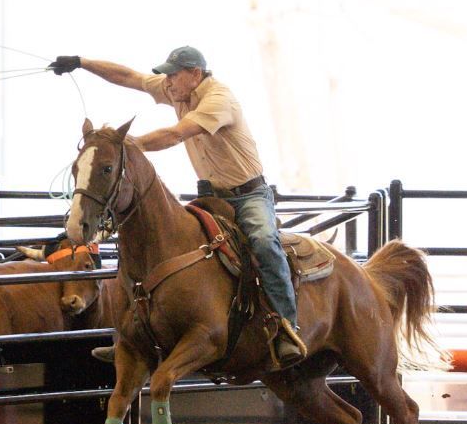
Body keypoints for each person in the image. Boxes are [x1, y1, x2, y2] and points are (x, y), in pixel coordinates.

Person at [49, 46, 307, 369]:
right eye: (167, 76)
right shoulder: (178, 92)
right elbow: (130, 77)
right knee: (155, 245)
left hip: (249, 196)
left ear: (195, 75)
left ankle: (286, 328)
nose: (167, 82)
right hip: (211, 195)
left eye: (173, 75)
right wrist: (82, 63)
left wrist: (125, 146)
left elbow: (176, 134)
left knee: (265, 241)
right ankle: (130, 339)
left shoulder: (219, 100)